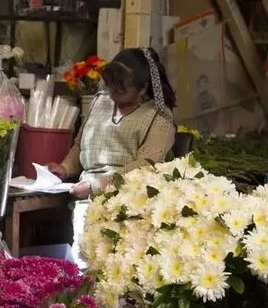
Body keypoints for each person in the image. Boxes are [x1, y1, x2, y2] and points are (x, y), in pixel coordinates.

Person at [46, 47, 177, 200]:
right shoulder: (100, 102)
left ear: (143, 88)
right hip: (84, 191)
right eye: (110, 87)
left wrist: (96, 186)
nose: (113, 96)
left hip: (127, 198)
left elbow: (147, 164)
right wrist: (65, 168)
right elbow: (80, 146)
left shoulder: (159, 116)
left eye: (121, 91)